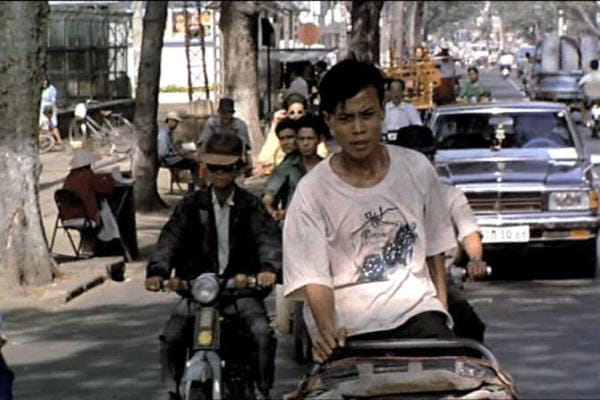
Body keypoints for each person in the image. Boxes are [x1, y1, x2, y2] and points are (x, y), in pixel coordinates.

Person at [283, 59, 456, 364]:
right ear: (329, 121)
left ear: (382, 112)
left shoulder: (417, 169)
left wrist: (442, 314)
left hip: (417, 313)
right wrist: (327, 331)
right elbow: (313, 276)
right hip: (348, 326)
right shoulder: (312, 191)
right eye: (346, 119)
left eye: (367, 115)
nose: (359, 130)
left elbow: (435, 251)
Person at [145, 133, 281, 400]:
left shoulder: (251, 206)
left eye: (226, 168)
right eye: (214, 168)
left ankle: (263, 389)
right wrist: (157, 272)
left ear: (238, 169)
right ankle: (172, 389)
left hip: (239, 292)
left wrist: (267, 269)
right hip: (197, 293)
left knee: (262, 333)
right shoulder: (190, 205)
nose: (219, 174)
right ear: (205, 169)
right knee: (171, 337)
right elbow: (170, 239)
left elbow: (267, 240)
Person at [389, 125, 487, 342]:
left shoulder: (450, 196)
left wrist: (475, 259)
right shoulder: (384, 198)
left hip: (439, 281)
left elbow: (469, 231)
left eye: (428, 157)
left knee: (470, 328)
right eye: (414, 158)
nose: (422, 164)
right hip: (394, 285)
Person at [262, 115, 324, 221]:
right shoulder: (287, 167)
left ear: (319, 139)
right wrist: (275, 214)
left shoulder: (328, 166)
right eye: (301, 139)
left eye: (309, 139)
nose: (305, 143)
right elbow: (268, 196)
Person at [62, 149, 121, 254]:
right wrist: (111, 179)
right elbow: (106, 188)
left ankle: (88, 246)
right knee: (106, 210)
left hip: (67, 216)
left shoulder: (69, 178)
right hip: (86, 215)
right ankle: (106, 244)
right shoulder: (88, 176)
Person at [198, 98, 252, 177]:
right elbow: (204, 140)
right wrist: (202, 158)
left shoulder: (240, 125)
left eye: (228, 113)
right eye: (223, 113)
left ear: (232, 113)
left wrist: (245, 160)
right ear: (219, 113)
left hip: (233, 156)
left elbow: (244, 144)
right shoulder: (211, 123)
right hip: (214, 156)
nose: (225, 115)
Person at [158, 111, 201, 187]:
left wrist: (178, 149)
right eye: (176, 122)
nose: (177, 124)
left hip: (171, 157)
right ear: (170, 121)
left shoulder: (167, 131)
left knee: (192, 156)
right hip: (169, 160)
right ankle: (197, 185)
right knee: (194, 163)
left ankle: (196, 183)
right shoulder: (164, 133)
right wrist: (178, 153)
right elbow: (163, 152)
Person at [40, 77, 64, 148]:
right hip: (42, 108)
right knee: (44, 125)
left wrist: (54, 110)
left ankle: (59, 140)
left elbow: (53, 101)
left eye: (45, 81)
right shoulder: (41, 89)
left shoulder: (51, 89)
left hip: (48, 108)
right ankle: (48, 141)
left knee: (52, 125)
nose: (43, 83)